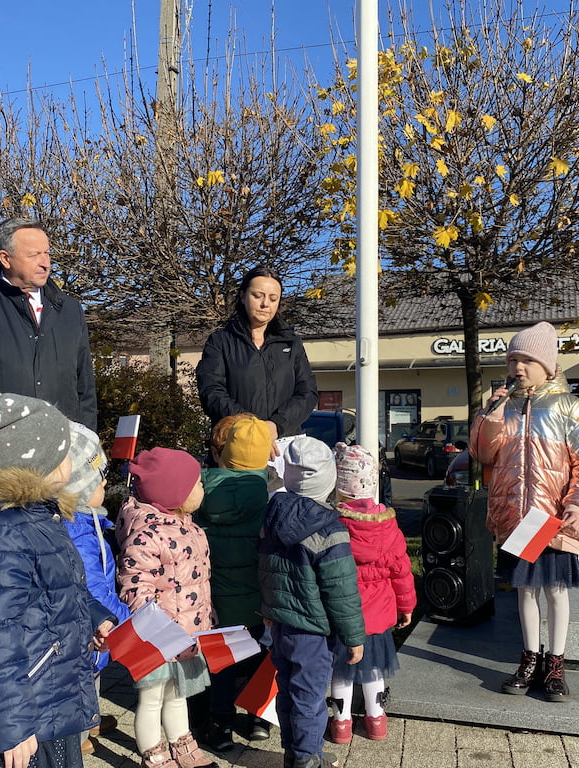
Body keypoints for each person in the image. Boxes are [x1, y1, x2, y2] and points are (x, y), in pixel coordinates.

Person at [0, 393, 117, 768]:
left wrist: (95, 617)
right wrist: (10, 727)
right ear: (38, 465)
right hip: (18, 714)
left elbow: (56, 589)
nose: (71, 462)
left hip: (44, 696)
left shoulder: (37, 517)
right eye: (63, 452)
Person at [469, 322, 579, 703]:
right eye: (513, 360)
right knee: (525, 590)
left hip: (553, 517)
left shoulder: (568, 407)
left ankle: (555, 664)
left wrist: (577, 504)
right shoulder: (505, 407)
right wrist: (490, 414)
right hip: (518, 518)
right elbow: (482, 453)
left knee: (556, 590)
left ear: (546, 365)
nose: (518, 367)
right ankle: (529, 658)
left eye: (526, 360)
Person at [258, 436, 365, 768]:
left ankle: (296, 751)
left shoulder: (272, 515)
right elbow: (341, 589)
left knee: (288, 689)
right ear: (328, 481)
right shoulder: (330, 529)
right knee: (310, 695)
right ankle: (306, 758)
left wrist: (268, 609)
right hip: (313, 631)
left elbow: (265, 568)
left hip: (281, 624)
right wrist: (354, 636)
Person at [0, 217, 97, 430]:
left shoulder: (70, 310)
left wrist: (88, 438)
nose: (45, 263)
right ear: (5, 258)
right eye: (34, 255)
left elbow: (85, 388)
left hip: (64, 440)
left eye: (47, 253)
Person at [116, 447, 218, 768]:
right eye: (196, 484)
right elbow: (134, 585)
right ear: (175, 492)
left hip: (186, 632)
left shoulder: (191, 528)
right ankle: (153, 753)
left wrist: (207, 617)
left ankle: (182, 743)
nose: (202, 488)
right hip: (157, 636)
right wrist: (154, 627)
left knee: (178, 693)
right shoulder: (147, 535)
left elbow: (200, 583)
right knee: (151, 697)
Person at [195, 414, 275, 749]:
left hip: (214, 602)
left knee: (221, 664)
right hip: (255, 602)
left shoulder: (198, 493)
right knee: (262, 655)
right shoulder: (268, 500)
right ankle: (258, 719)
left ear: (222, 451)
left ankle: (220, 725)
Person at [327, 442, 415, 743]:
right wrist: (407, 606)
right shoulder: (388, 526)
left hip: (343, 615)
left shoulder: (332, 523)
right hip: (377, 616)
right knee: (374, 669)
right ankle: (376, 720)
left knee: (342, 670)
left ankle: (341, 723)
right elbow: (401, 571)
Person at [60, 422, 131, 755]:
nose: (105, 485)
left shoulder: (89, 522)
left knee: (92, 678)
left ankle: (90, 720)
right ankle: (77, 738)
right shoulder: (78, 532)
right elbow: (94, 589)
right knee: (81, 681)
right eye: (100, 482)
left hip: (93, 630)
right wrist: (124, 620)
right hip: (92, 628)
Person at [195, 266, 318, 456]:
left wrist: (276, 425)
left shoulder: (291, 343)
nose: (265, 304)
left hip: (284, 448)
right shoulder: (220, 342)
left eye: (273, 298)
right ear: (243, 296)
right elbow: (211, 392)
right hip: (235, 446)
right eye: (258, 296)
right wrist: (251, 427)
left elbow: (307, 393)